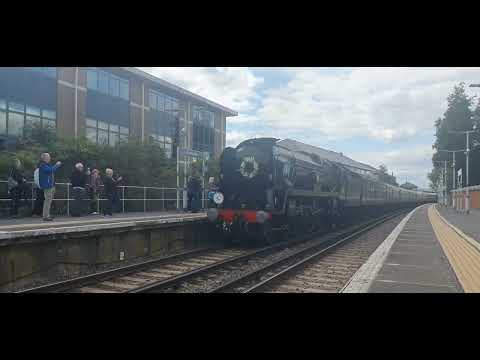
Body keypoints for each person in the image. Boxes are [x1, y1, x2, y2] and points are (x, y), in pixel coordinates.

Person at [38, 153, 62, 221]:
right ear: (44, 158)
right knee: (47, 201)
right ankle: (45, 216)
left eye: (49, 157)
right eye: (48, 157)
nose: (49, 158)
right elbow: (51, 170)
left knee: (48, 201)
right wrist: (57, 165)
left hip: (50, 185)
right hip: (47, 186)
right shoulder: (43, 165)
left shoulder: (45, 165)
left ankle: (47, 215)